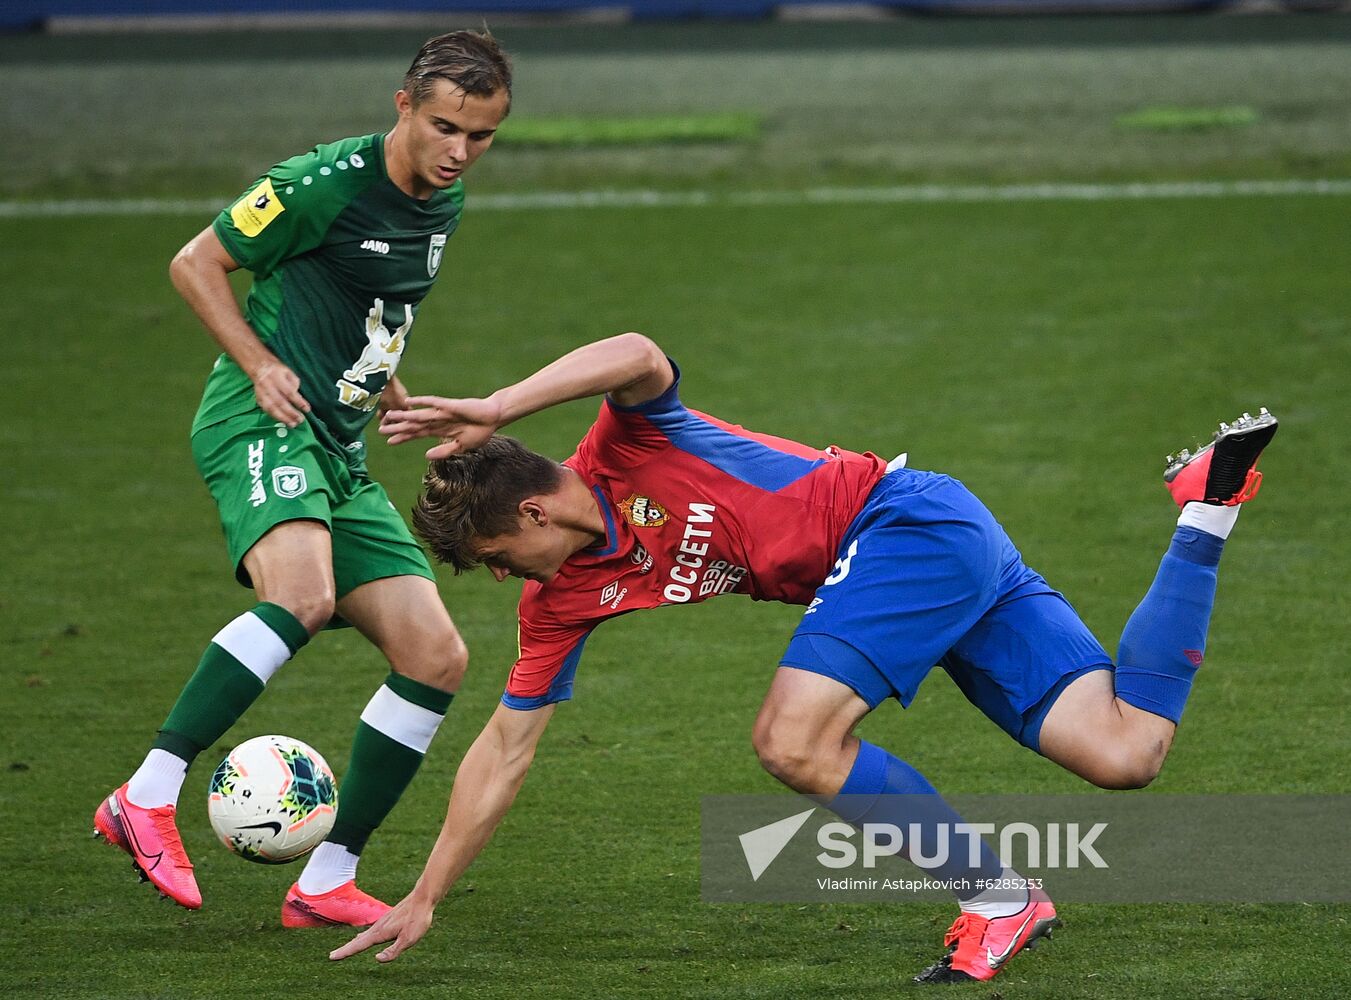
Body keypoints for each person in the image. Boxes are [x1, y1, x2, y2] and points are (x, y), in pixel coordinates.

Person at [330, 332, 1276, 981]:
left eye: (497, 559)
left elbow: (636, 354)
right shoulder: (561, 598)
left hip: (905, 521)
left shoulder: (630, 439)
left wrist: (497, 403)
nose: (505, 580)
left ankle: (997, 897)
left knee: (792, 740)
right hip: (924, 563)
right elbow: (505, 746)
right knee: (1124, 753)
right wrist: (425, 895)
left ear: (533, 510)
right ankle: (1205, 512)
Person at [93, 30, 513, 928]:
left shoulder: (446, 200)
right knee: (304, 596)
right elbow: (194, 262)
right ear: (402, 104)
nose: (459, 152)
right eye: (445, 127)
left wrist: (384, 384)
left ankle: (325, 878)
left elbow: (373, 302)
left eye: (480, 137)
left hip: (339, 445)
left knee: (436, 657)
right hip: (262, 420)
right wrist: (256, 364)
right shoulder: (317, 184)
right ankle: (147, 793)